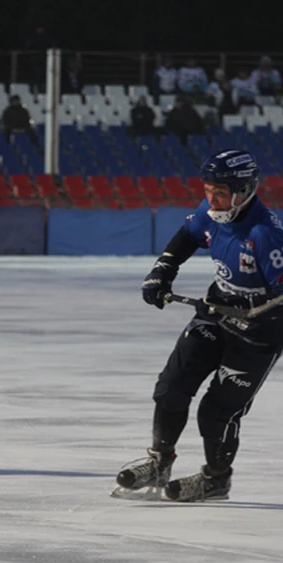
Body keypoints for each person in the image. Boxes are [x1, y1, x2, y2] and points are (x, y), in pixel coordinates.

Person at [115, 150, 283, 502]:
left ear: (245, 190)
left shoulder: (266, 234)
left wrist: (261, 316)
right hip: (216, 314)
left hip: (259, 334)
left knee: (217, 411)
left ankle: (216, 479)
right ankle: (160, 463)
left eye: (220, 192)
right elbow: (188, 236)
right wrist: (162, 271)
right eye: (208, 190)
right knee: (172, 387)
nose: (212, 199)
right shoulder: (213, 214)